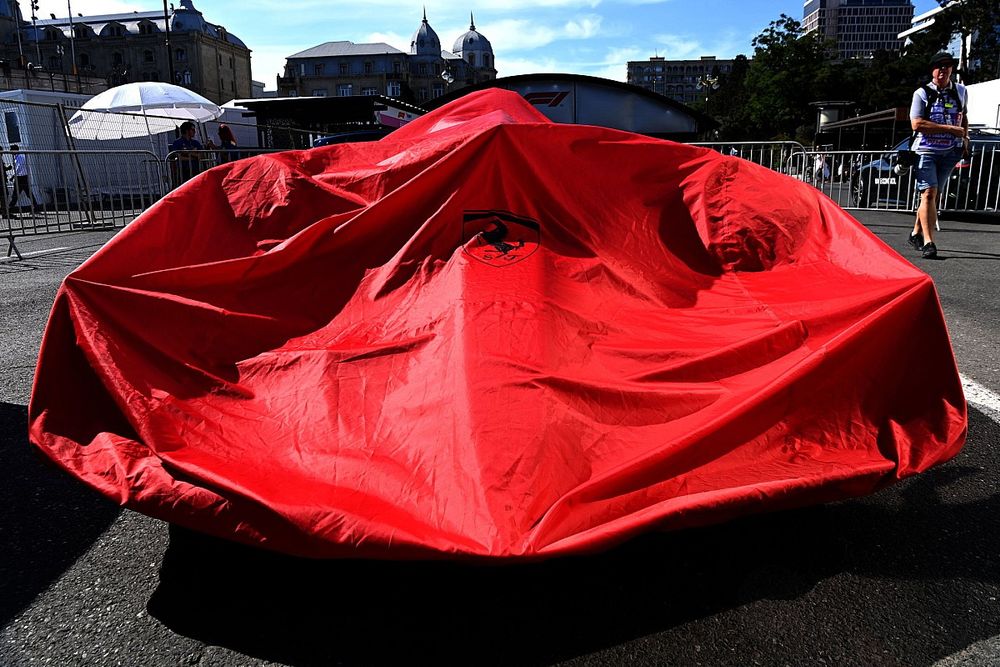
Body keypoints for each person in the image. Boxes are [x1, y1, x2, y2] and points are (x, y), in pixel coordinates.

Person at [907, 51, 968, 259]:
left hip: (950, 151)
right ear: (932, 70)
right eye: (939, 66)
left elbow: (964, 116)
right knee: (929, 193)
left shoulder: (960, 91)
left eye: (947, 65)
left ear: (951, 69)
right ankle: (928, 241)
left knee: (933, 195)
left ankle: (916, 232)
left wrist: (964, 138)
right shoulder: (922, 93)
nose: (943, 69)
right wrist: (951, 129)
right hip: (926, 150)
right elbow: (917, 123)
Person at [169, 121, 204, 185]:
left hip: (195, 170)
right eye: (192, 130)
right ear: (187, 131)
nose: (194, 131)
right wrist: (193, 156)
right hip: (183, 172)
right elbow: (177, 157)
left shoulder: (195, 143)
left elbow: (201, 155)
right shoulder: (177, 142)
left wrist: (187, 152)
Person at [10, 144, 40, 212]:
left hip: (20, 178)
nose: (10, 151)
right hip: (21, 178)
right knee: (27, 193)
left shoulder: (20, 157)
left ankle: (9, 209)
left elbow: (18, 168)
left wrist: (13, 176)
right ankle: (35, 206)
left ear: (15, 150)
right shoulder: (17, 157)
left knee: (17, 194)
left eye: (11, 149)